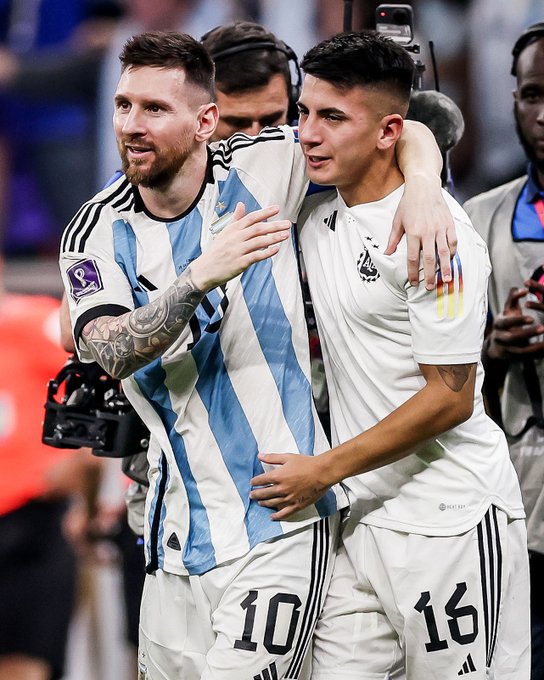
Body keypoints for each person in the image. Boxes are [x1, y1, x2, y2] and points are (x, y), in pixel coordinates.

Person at [59, 30, 455, 679]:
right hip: (172, 535)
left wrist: (423, 187)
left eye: (155, 108)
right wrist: (198, 277)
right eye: (124, 105)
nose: (132, 124)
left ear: (204, 121)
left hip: (278, 521)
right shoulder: (96, 229)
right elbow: (107, 350)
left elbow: (408, 123)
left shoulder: (266, 164)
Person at [250, 31, 530, 679]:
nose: (308, 134)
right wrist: (424, 170)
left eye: (332, 117)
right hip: (362, 521)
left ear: (387, 132)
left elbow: (451, 398)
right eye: (304, 112)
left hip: (450, 522)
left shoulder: (436, 233)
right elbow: (415, 131)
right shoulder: (317, 213)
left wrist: (322, 471)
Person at [463, 22, 544, 680]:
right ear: (512, 99)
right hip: (517, 505)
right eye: (534, 95)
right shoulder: (478, 219)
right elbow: (431, 376)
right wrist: (490, 347)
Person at [0, 254, 93, 680]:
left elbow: (98, 381)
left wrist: (79, 458)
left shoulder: (32, 319)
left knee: (24, 661)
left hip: (31, 515)